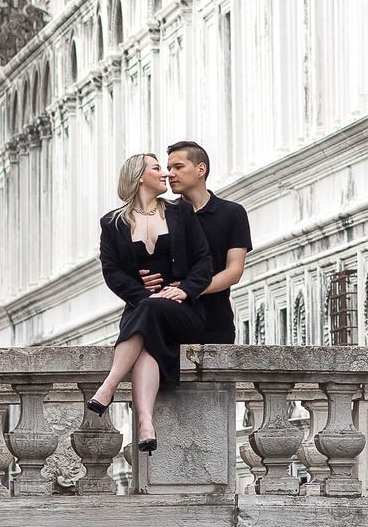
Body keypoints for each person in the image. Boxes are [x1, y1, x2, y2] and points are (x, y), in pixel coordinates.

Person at [86, 151, 213, 452]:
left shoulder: (181, 213)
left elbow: (204, 261)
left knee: (149, 312)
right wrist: (143, 293)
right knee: (148, 337)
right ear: (140, 177)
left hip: (183, 311)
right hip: (143, 310)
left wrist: (185, 290)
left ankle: (109, 385)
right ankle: (146, 424)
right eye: (158, 169)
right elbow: (112, 272)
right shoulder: (112, 224)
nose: (166, 174)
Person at [160, 139, 250, 343]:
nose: (169, 174)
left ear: (201, 169)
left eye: (178, 167)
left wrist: (189, 289)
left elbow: (234, 271)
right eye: (168, 168)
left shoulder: (232, 213)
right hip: (168, 320)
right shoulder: (163, 214)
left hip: (216, 323)